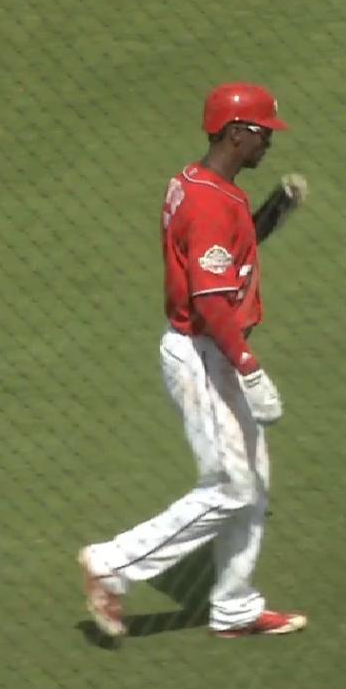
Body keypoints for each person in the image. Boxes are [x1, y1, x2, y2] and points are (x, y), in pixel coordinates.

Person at [77, 82, 307, 640]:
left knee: (254, 480)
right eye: (262, 133)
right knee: (232, 486)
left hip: (214, 348)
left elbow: (232, 245)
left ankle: (234, 606)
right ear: (235, 133)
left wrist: (275, 210)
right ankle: (113, 564)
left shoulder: (198, 184)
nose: (268, 142)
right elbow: (209, 300)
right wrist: (249, 368)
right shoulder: (207, 202)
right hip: (206, 354)